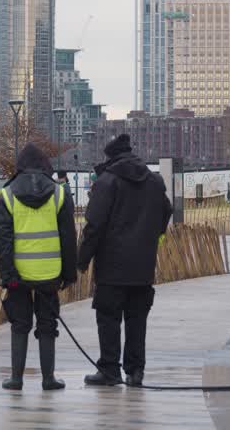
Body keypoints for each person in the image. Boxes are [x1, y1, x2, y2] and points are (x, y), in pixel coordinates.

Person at [78, 134, 172, 387]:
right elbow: (167, 211)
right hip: (143, 265)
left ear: (110, 157)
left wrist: (82, 259)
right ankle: (136, 371)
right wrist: (151, 236)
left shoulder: (107, 182)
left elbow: (94, 226)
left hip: (112, 266)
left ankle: (109, 370)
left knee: (108, 318)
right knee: (136, 319)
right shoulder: (154, 181)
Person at [0, 144, 77, 391]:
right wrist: (69, 273)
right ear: (45, 166)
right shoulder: (60, 194)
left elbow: (4, 241)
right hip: (49, 272)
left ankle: (17, 379)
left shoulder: (7, 194)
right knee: (47, 324)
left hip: (18, 276)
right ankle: (48, 379)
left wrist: (8, 275)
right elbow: (68, 237)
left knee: (20, 324)